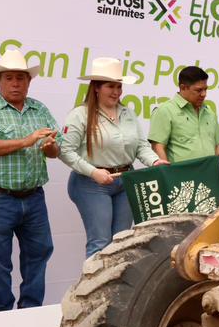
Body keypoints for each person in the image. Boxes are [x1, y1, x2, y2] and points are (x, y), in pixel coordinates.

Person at [0, 47, 59, 312]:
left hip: (34, 196)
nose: (16, 83)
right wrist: (26, 141)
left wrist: (50, 147)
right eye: (9, 78)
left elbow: (56, 150)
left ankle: (30, 310)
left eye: (21, 78)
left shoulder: (39, 109)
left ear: (29, 81)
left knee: (40, 252)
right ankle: (1, 313)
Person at [59, 57, 167, 256]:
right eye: (111, 86)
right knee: (100, 243)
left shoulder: (127, 113)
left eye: (119, 86)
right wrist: (93, 172)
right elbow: (65, 150)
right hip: (91, 184)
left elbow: (141, 145)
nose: (116, 91)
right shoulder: (80, 115)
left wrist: (154, 160)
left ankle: (116, 287)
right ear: (96, 88)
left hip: (125, 181)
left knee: (122, 243)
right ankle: (94, 287)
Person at [147, 64, 219, 191]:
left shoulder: (209, 112)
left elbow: (218, 148)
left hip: (211, 180)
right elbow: (158, 147)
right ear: (183, 87)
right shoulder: (165, 111)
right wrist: (168, 179)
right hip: (181, 182)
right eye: (199, 90)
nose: (204, 94)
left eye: (206, 89)